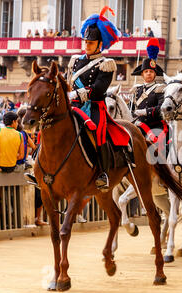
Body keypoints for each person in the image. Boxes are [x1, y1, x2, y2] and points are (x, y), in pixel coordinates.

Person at [64, 6, 125, 190]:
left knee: (100, 133)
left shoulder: (106, 64)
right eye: (85, 42)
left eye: (91, 43)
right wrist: (68, 94)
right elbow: (68, 82)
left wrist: (77, 94)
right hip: (72, 105)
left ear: (100, 44)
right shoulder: (75, 60)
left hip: (94, 107)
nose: (87, 45)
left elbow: (98, 90)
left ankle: (102, 173)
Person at [130, 38, 166, 143]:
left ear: (155, 74)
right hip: (138, 125)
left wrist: (144, 112)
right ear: (142, 74)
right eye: (146, 71)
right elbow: (131, 107)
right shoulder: (136, 89)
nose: (149, 73)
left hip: (155, 126)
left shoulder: (160, 88)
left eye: (151, 71)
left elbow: (160, 109)